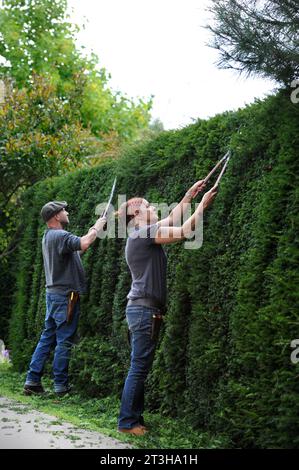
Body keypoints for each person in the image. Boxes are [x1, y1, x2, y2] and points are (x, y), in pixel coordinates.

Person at [116, 181, 218, 435]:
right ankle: (127, 423)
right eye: (149, 206)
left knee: (139, 366)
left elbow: (173, 217)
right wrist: (202, 205)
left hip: (141, 310)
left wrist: (188, 195)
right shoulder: (142, 235)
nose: (154, 208)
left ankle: (134, 419)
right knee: (138, 367)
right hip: (143, 311)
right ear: (138, 215)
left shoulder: (143, 234)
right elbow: (183, 231)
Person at [24, 201, 106, 396]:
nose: (67, 212)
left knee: (47, 337)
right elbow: (84, 242)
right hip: (66, 297)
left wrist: (91, 231)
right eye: (63, 210)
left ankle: (32, 380)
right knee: (64, 340)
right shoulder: (61, 235)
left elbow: (78, 249)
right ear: (55, 216)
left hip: (53, 295)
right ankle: (61, 386)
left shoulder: (49, 236)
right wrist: (97, 228)